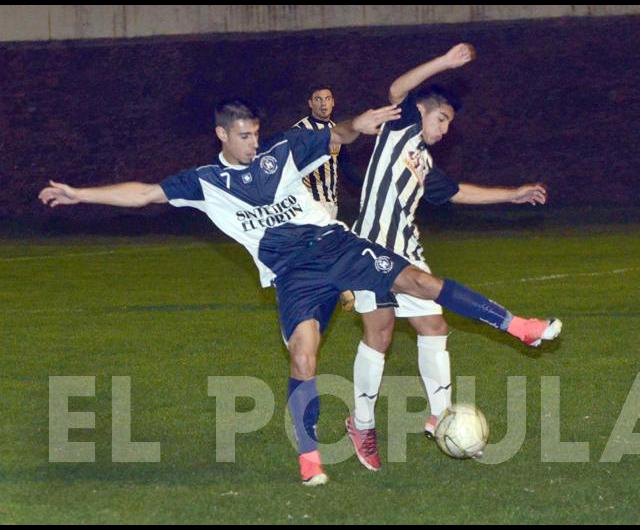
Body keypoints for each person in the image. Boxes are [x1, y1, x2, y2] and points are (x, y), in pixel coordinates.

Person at [39, 101, 562, 487]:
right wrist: (79, 193)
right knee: (303, 355)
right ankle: (310, 458)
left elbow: (337, 134)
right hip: (294, 275)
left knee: (420, 283)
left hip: (335, 245)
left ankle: (519, 327)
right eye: (243, 136)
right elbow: (145, 192)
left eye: (255, 134)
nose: (253, 142)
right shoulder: (203, 182)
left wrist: (357, 125)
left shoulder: (282, 154)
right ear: (221, 135)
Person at [344, 43, 558, 472]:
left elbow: (457, 192)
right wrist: (444, 62)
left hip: (405, 247)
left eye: (448, 124)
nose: (444, 130)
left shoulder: (423, 161)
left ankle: (441, 415)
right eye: (441, 119)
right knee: (383, 334)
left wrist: (511, 194)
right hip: (370, 248)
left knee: (434, 325)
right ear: (423, 111)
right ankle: (363, 424)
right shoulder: (401, 128)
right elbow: (397, 88)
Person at [293, 85, 360, 310]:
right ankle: (344, 290)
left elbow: (346, 166)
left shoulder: (336, 130)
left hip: (330, 201)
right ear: (310, 103)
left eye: (328, 98)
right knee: (323, 246)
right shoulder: (300, 130)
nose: (323, 103)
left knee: (313, 251)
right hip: (309, 201)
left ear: (333, 102)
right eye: (318, 99)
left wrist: (366, 187)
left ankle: (308, 291)